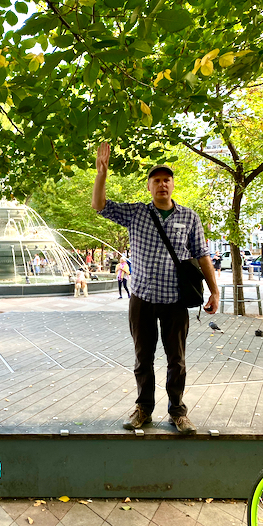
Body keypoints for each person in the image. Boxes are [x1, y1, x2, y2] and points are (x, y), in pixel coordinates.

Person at [92, 142, 219, 435]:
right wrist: (102, 175)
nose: (162, 184)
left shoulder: (190, 217)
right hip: (143, 298)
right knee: (143, 357)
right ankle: (143, 409)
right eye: (156, 180)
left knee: (177, 359)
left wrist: (214, 290)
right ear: (149, 186)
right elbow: (100, 206)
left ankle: (178, 411)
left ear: (173, 185)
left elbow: (202, 255)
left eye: (166, 180)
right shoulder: (136, 213)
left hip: (175, 300)